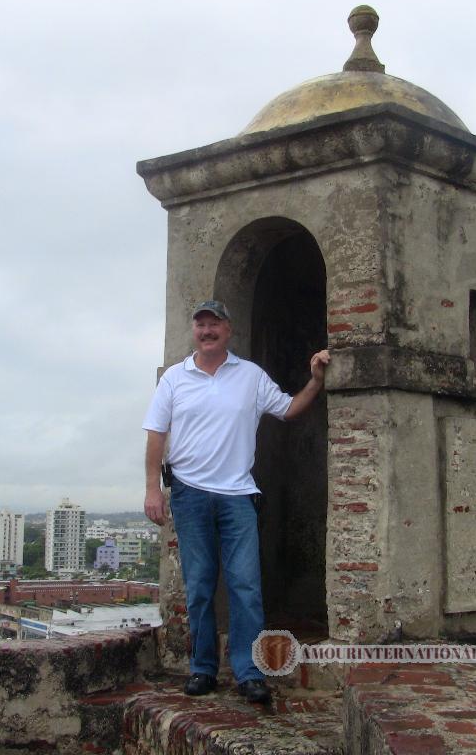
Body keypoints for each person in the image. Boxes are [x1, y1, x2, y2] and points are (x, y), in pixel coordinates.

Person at [143, 299, 329, 704]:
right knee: (200, 587)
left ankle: (248, 672)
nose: (206, 331)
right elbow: (156, 435)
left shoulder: (250, 376)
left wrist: (314, 381)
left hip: (238, 495)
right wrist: (152, 489)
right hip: (189, 493)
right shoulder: (175, 378)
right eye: (200, 325)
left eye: (214, 324)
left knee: (246, 586)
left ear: (228, 330)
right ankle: (203, 668)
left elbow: (288, 410)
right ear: (195, 330)